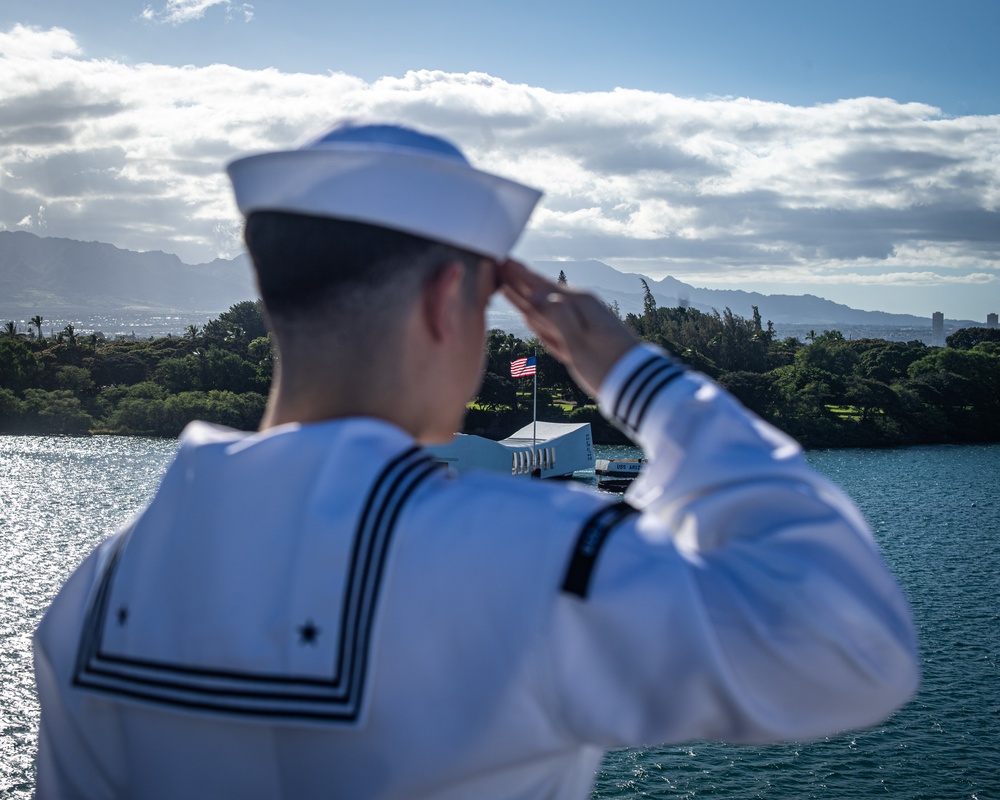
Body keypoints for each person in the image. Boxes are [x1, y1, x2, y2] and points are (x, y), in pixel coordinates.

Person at [34, 121, 919, 800]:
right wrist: (642, 379)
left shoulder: (97, 583)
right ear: (449, 296)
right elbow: (852, 648)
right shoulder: (532, 555)